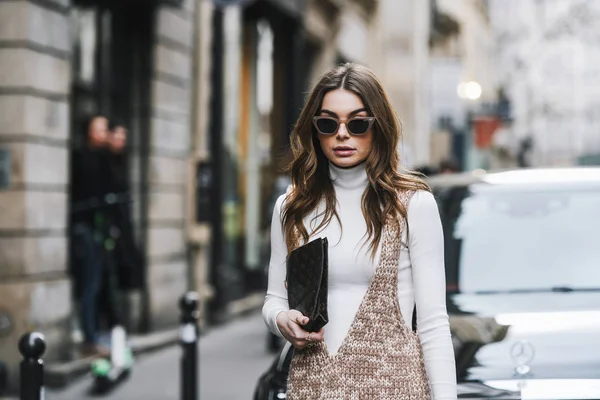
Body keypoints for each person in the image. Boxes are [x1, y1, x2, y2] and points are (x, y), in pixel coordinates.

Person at [262, 63, 457, 399]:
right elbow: (273, 300)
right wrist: (281, 320)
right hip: (312, 388)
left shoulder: (412, 205)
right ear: (315, 130)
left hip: (395, 388)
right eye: (327, 123)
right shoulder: (292, 207)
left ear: (377, 126)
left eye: (357, 123)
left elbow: (434, 324)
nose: (342, 134)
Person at [70, 114, 111, 356]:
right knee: (89, 285)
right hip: (85, 228)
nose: (104, 134)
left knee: (93, 284)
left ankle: (92, 333)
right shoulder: (84, 158)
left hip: (94, 228)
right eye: (100, 129)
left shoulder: (102, 158)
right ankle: (89, 337)